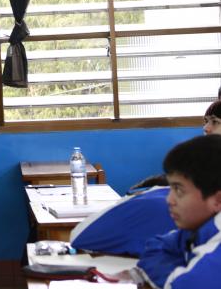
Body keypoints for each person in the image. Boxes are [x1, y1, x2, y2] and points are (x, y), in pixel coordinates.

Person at [70, 99, 221, 257]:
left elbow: (80, 235)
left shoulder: (170, 200)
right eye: (205, 121)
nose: (206, 128)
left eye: (215, 122)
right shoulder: (166, 196)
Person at [119, 134, 221, 288]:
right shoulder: (194, 230)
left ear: (218, 200)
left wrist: (177, 276)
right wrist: (180, 272)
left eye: (179, 190)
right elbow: (154, 247)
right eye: (171, 188)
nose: (169, 200)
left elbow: (183, 285)